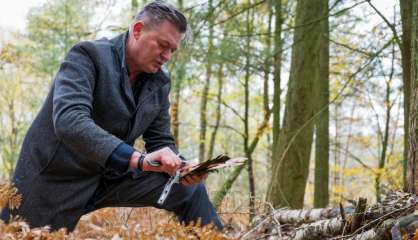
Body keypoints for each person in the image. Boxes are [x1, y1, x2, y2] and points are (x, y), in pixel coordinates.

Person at [0, 0, 223, 232]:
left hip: (109, 176)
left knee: (188, 189)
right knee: (20, 234)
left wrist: (180, 166)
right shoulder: (88, 55)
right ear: (137, 30)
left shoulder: (159, 82)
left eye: (172, 50)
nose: (167, 55)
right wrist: (137, 159)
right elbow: (69, 120)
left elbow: (161, 141)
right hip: (55, 178)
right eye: (162, 45)